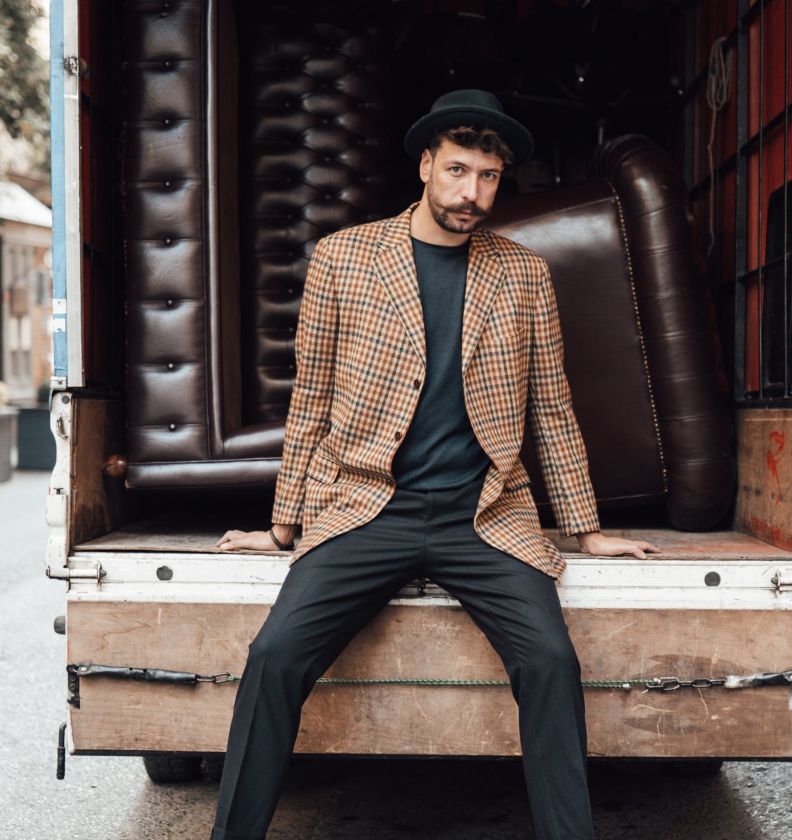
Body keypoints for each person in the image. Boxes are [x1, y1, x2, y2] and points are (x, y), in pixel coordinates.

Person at [211, 89, 660, 840]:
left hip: (482, 515)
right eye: (457, 170)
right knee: (274, 655)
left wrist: (588, 531)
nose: (470, 192)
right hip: (368, 507)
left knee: (550, 662)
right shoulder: (344, 258)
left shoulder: (524, 273)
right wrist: (282, 526)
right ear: (424, 166)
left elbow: (551, 407)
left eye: (488, 177)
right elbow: (311, 398)